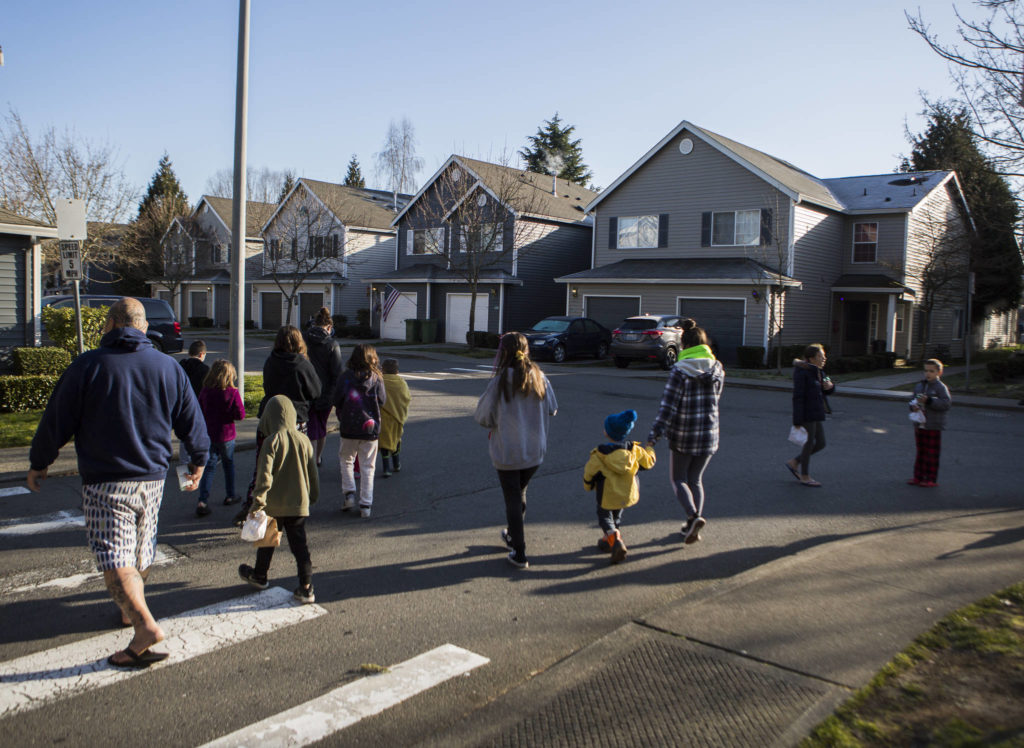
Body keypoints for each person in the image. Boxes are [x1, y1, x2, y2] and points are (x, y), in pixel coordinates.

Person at [27, 298, 209, 669]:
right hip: (153, 480)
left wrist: (40, 461)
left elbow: (57, 417)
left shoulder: (87, 366)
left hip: (106, 480)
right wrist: (199, 458)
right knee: (141, 551)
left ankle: (144, 627)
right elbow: (192, 419)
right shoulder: (167, 367)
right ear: (142, 328)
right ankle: (131, 611)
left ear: (110, 324)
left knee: (115, 557)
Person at [473, 332, 558, 569]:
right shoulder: (540, 377)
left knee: (513, 496)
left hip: (508, 450)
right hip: (534, 451)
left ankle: (519, 551)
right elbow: (552, 408)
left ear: (504, 353)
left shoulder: (500, 382)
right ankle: (512, 535)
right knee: (519, 492)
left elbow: (482, 416)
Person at [234, 325, 321, 526]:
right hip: (296, 420)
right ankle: (295, 503)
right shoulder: (302, 364)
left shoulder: (271, 361)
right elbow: (315, 391)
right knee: (296, 465)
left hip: (270, 420)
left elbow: (267, 386)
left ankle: (253, 502)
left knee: (263, 463)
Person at [647, 320, 724, 543]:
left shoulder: (679, 370)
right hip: (709, 432)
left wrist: (655, 435)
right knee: (696, 480)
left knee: (678, 479)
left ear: (684, 345)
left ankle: (693, 516)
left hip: (683, 434)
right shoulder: (717, 368)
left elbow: (668, 407)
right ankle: (693, 525)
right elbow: (716, 400)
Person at [238, 395, 319, 603]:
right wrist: (313, 495)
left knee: (267, 541)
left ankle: (260, 575)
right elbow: (312, 473)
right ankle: (306, 586)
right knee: (300, 546)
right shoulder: (304, 440)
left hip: (273, 504)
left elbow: (264, 476)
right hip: (298, 504)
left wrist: (258, 503)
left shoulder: (271, 441)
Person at [583, 409, 655, 564]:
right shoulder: (634, 450)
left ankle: (615, 538)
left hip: (607, 493)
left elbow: (590, 473)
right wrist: (650, 447)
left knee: (604, 517)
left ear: (607, 433)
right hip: (626, 492)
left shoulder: (600, 454)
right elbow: (649, 462)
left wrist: (587, 485)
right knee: (616, 515)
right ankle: (609, 541)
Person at [334, 344, 386, 518]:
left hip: (348, 426)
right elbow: (382, 400)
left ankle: (349, 493)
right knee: (368, 466)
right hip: (370, 428)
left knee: (346, 459)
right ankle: (366, 503)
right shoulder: (376, 378)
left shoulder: (345, 377)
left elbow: (337, 398)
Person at [196, 360, 245, 516]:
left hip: (209, 433)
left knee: (209, 467)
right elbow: (240, 415)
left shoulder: (205, 391)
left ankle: (202, 500)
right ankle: (230, 495)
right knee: (228, 465)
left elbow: (199, 410)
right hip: (226, 434)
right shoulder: (232, 392)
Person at [785, 343, 834, 488]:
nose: (824, 359)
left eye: (824, 356)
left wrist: (831, 385)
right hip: (807, 413)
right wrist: (797, 419)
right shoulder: (802, 373)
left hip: (816, 412)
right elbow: (798, 397)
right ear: (811, 358)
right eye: (820, 356)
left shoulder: (819, 372)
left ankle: (794, 462)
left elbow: (827, 387)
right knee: (809, 443)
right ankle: (805, 476)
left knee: (821, 443)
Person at [303, 307, 343, 467]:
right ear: (329, 327)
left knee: (311, 425)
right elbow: (337, 372)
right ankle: (317, 457)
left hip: (306, 390)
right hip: (326, 391)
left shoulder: (303, 340)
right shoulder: (332, 344)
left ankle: (311, 458)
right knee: (321, 425)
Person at [908, 358, 952, 487]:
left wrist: (929, 401)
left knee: (931, 453)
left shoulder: (940, 388)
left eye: (931, 371)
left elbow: (946, 404)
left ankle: (930, 478)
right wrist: (913, 406)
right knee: (920, 451)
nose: (928, 374)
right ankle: (918, 476)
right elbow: (913, 400)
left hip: (933, 424)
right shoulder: (920, 386)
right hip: (920, 423)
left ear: (939, 372)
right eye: (926, 371)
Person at [379, 358, 411, 478]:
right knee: (396, 439)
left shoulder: (381, 381)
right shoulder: (401, 382)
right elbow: (406, 398)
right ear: (397, 371)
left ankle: (386, 468)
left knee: (384, 443)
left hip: (384, 416)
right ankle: (396, 463)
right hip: (398, 416)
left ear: (383, 370)